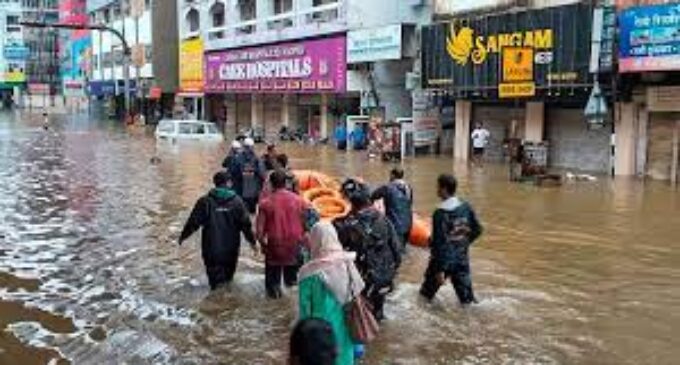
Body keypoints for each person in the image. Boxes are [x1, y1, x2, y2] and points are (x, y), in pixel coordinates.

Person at [298, 222, 364, 365]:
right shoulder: (347, 263)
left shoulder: (308, 274)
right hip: (346, 328)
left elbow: (304, 312)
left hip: (318, 335)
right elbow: (358, 291)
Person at [334, 182, 401, 321]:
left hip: (365, 279)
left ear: (352, 203)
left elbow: (338, 254)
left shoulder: (347, 226)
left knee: (362, 318)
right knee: (378, 312)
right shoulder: (384, 220)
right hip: (385, 276)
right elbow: (397, 250)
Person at [178, 171, 257, 290]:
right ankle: (228, 305)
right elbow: (246, 225)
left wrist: (183, 237)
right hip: (231, 250)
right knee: (228, 281)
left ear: (215, 183)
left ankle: (216, 303)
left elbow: (193, 223)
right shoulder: (237, 202)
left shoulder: (204, 202)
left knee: (214, 285)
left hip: (211, 249)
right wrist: (252, 242)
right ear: (229, 183)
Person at [420, 174, 482, 306]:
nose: (436, 190)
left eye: (437, 186)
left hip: (443, 261)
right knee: (467, 301)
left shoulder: (440, 213)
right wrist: (463, 244)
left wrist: (440, 270)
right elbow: (478, 230)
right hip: (461, 260)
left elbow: (439, 243)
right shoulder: (466, 207)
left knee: (424, 297)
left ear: (444, 189)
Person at [257, 170, 308, 298]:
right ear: (285, 183)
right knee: (292, 284)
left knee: (272, 288)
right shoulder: (299, 201)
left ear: (271, 184)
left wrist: (263, 246)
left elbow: (259, 232)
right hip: (294, 247)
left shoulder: (265, 203)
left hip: (274, 247)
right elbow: (306, 226)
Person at [371, 168, 413, 251]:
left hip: (395, 224)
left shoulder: (388, 187)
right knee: (403, 249)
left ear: (393, 175)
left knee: (394, 250)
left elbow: (373, 195)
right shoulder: (408, 188)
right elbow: (409, 203)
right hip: (408, 223)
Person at [234, 137, 265, 213]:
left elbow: (233, 174)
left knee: (242, 213)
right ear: (253, 147)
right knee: (252, 212)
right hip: (253, 192)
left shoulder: (237, 158)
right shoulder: (257, 159)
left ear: (244, 146)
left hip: (241, 191)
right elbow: (262, 174)